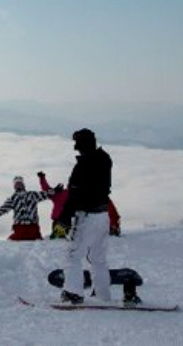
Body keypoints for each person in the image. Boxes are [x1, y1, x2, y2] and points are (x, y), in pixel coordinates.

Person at [57, 128, 113, 304]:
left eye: (77, 143)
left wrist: (64, 217)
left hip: (87, 216)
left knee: (73, 255)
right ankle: (103, 295)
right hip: (103, 215)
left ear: (84, 144)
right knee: (98, 259)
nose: (75, 147)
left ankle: (73, 292)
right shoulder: (105, 159)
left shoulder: (83, 165)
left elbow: (75, 195)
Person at [0, 175, 51, 240]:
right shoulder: (13, 198)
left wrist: (54, 189)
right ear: (14, 186)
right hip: (20, 228)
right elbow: (3, 209)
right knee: (12, 242)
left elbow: (47, 194)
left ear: (23, 184)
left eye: (20, 183)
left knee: (35, 241)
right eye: (16, 184)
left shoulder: (32, 195)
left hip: (32, 227)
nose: (18, 185)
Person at [37, 171, 69, 239]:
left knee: (58, 238)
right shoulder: (57, 194)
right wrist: (42, 178)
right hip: (57, 219)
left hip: (65, 220)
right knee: (56, 238)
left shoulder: (69, 193)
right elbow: (46, 189)